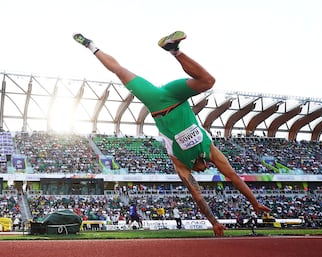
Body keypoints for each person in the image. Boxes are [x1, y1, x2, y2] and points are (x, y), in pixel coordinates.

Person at [72, 31, 271, 236]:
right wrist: (255, 202)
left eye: (199, 173)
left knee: (120, 72)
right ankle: (174, 49)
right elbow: (234, 178)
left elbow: (198, 196)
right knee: (208, 81)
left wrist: (214, 222)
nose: (201, 172)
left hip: (156, 103)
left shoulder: (181, 165)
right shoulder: (211, 151)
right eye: (204, 170)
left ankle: (90, 45)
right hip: (176, 97)